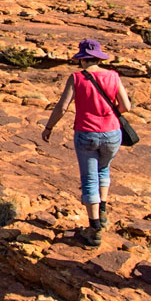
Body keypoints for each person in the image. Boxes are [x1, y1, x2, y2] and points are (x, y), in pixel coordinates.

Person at [40, 38, 129, 246]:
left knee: (89, 179)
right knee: (103, 170)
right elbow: (126, 106)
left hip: (86, 133)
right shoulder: (113, 76)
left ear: (82, 60)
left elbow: (62, 107)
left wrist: (49, 127)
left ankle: (94, 228)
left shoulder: (76, 78)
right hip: (112, 132)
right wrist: (110, 113)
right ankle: (103, 210)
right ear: (98, 57)